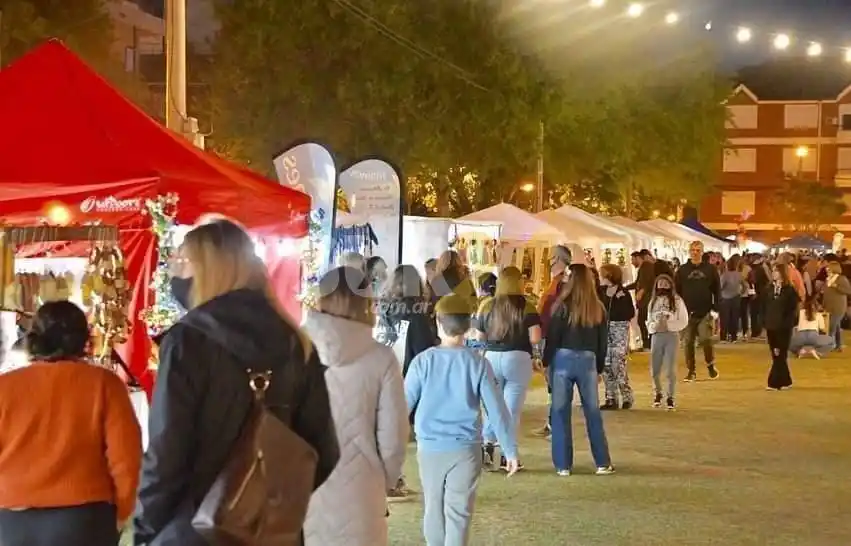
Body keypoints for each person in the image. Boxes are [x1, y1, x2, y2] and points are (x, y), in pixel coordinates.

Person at [134, 218, 340, 546]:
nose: (175, 273)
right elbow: (322, 450)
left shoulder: (188, 341)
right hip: (270, 534)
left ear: (210, 270)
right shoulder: (295, 341)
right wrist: (266, 501)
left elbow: (166, 452)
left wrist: (146, 531)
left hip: (193, 532)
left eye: (183, 262)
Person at [0, 301, 141, 546]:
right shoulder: (104, 384)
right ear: (83, 338)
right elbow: (126, 459)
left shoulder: (5, 386)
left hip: (12, 520)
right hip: (85, 520)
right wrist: (121, 512)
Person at [302, 267, 408, 546]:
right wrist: (383, 480)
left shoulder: (293, 349)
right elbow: (394, 437)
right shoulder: (381, 358)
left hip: (302, 487)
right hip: (362, 491)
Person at [405, 293, 518, 546]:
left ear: (438, 323)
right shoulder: (478, 363)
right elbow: (497, 410)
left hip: (430, 448)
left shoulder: (422, 362)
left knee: (433, 508)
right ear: (468, 326)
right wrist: (510, 450)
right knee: (458, 513)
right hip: (466, 448)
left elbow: (402, 406)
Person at [542, 264, 614, 477]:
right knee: (592, 411)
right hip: (588, 359)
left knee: (560, 411)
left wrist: (546, 362)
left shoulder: (561, 306)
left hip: (563, 358)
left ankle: (563, 464)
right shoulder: (597, 307)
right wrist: (599, 367)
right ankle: (602, 462)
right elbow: (603, 342)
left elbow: (553, 337)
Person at [473, 267, 541, 470]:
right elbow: (535, 337)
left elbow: (478, 338)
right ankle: (507, 455)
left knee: (492, 405)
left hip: (491, 358)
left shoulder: (486, 305)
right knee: (512, 409)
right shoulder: (527, 306)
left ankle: (486, 446)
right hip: (518, 358)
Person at [675, 241, 721, 382]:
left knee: (705, 339)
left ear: (702, 252)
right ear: (689, 251)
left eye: (698, 250)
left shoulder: (710, 269)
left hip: (705, 310)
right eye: (693, 250)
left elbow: (717, 289)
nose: (695, 252)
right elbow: (677, 291)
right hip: (687, 312)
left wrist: (716, 309)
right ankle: (691, 370)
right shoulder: (682, 270)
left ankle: (710, 364)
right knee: (688, 342)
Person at [646, 275, 689, 410]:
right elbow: (648, 319)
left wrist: (669, 324)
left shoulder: (677, 301)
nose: (663, 286)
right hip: (657, 335)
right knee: (655, 368)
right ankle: (658, 393)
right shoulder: (653, 301)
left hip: (671, 335)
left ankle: (670, 397)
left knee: (670, 368)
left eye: (666, 283)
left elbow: (683, 320)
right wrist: (655, 326)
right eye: (660, 283)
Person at [597, 263, 635, 410]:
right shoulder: (599, 291)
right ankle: (610, 398)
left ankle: (626, 395)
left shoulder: (623, 292)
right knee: (605, 364)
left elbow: (629, 312)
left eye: (602, 274)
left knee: (618, 363)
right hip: (603, 329)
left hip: (619, 329)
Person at [762, 263, 800, 391]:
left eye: (776, 271)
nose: (773, 273)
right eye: (773, 271)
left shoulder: (789, 290)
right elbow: (763, 306)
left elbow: (792, 309)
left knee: (780, 353)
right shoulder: (768, 289)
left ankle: (773, 382)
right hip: (771, 325)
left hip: (783, 327)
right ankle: (786, 380)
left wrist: (789, 323)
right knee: (775, 353)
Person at [625, 250, 655, 351]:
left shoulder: (646, 267)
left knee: (644, 321)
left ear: (638, 258)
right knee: (643, 321)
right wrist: (625, 288)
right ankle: (647, 343)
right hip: (644, 301)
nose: (632, 262)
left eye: (633, 259)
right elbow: (637, 283)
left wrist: (642, 291)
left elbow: (647, 282)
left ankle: (648, 344)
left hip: (646, 300)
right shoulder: (643, 268)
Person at [822, 261, 851, 351]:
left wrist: (836, 286)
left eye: (828, 268)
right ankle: (839, 345)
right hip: (829, 306)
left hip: (838, 307)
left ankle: (830, 345)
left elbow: (848, 291)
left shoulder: (842, 279)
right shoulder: (828, 279)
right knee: (836, 326)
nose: (827, 269)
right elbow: (826, 293)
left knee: (832, 327)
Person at [719, 255, 745, 343]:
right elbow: (745, 286)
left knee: (724, 318)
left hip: (725, 298)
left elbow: (720, 287)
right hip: (736, 298)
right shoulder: (739, 274)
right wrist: (740, 293)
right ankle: (733, 336)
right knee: (734, 318)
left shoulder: (725, 275)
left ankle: (723, 337)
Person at [749, 254, 772, 338]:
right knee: (760, 312)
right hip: (761, 293)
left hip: (755, 293)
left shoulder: (753, 268)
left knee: (754, 313)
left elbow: (752, 281)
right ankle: (758, 330)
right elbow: (769, 280)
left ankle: (755, 331)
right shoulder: (761, 268)